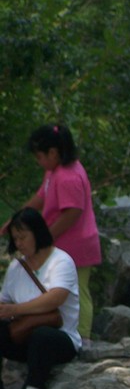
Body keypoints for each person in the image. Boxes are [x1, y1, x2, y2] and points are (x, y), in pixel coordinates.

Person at [3, 125, 100, 343]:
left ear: (53, 153)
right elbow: (41, 197)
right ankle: (53, 328)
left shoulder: (68, 177)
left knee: (78, 290)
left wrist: (43, 236)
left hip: (77, 244)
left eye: (39, 156)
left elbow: (72, 213)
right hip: (57, 243)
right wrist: (17, 218)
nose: (38, 162)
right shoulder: (53, 172)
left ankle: (82, 336)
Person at [0, 208, 81, 389]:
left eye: (23, 237)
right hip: (22, 336)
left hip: (59, 338)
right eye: (15, 238)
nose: (19, 243)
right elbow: (4, 300)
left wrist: (17, 309)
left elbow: (56, 297)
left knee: (42, 336)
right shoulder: (16, 267)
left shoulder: (61, 261)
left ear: (37, 233)